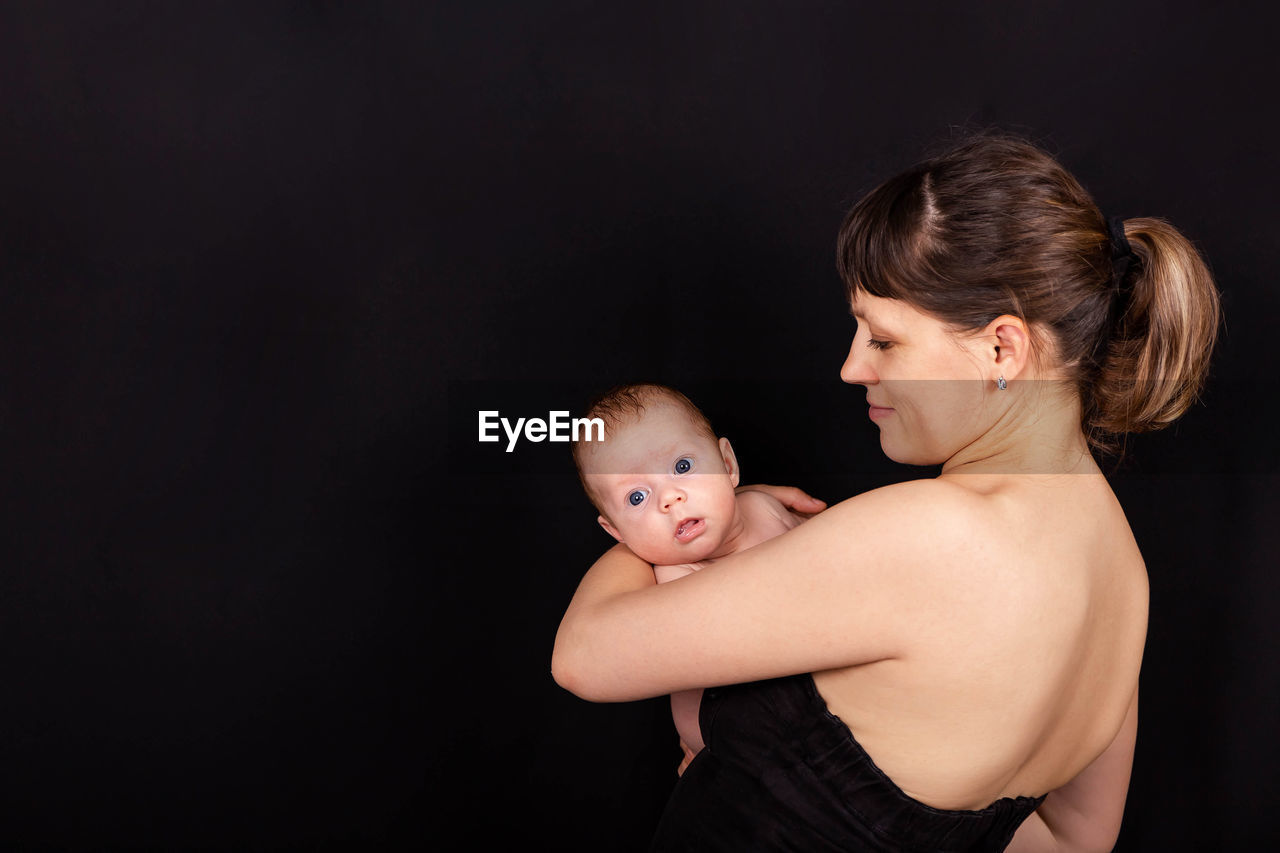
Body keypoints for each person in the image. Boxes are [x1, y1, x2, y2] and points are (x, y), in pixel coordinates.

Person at [552, 132, 1220, 852]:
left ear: (1002, 348)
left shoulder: (931, 535)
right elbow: (1074, 838)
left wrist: (665, 526)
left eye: (883, 339)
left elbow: (584, 654)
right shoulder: (1124, 577)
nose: (850, 367)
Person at [571, 383, 809, 774]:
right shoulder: (674, 577)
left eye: (682, 467)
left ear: (728, 466)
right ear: (616, 532)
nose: (670, 498)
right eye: (637, 497)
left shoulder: (767, 507)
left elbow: (833, 555)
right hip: (732, 750)